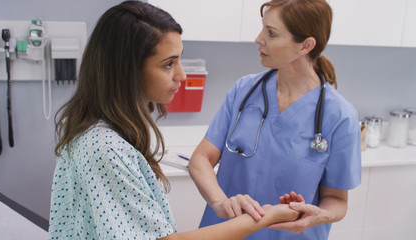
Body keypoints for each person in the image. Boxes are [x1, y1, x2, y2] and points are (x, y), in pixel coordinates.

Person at [48, 1, 301, 239]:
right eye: (169, 64)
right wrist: (266, 217)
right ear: (129, 71)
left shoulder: (107, 131)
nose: (181, 75)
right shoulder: (105, 148)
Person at [188, 0, 362, 239]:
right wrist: (220, 203)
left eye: (271, 33)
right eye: (262, 29)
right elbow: (200, 159)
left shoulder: (340, 116)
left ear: (305, 45)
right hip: (225, 231)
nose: (258, 39)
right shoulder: (244, 90)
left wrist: (321, 215)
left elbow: (337, 199)